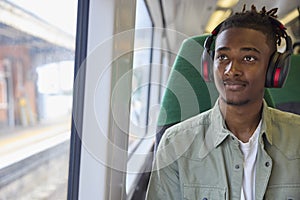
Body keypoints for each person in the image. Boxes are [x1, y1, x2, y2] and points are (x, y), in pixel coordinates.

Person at [146, 5, 300, 200]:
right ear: (209, 66)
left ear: (273, 69)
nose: (231, 70)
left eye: (249, 58)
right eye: (223, 57)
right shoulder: (176, 144)